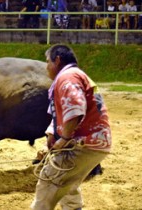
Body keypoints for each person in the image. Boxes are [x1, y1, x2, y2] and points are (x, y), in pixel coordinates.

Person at [31, 44, 112, 210]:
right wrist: (52, 135)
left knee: (49, 179)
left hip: (84, 143)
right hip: (97, 142)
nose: (46, 67)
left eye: (48, 62)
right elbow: (60, 114)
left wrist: (65, 138)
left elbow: (75, 109)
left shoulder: (67, 78)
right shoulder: (75, 76)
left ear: (58, 60)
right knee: (67, 182)